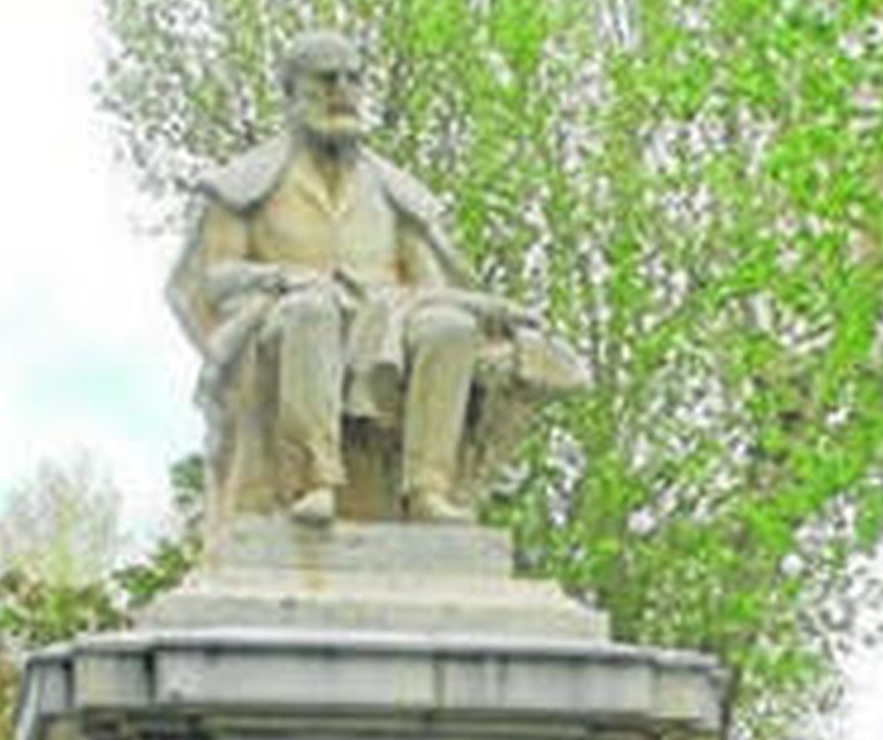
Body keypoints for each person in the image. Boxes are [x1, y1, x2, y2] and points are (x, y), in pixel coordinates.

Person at [168, 28, 585, 529]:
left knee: (449, 327)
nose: (342, 91)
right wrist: (285, 278)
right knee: (312, 311)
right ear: (292, 90)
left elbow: (432, 290)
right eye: (326, 79)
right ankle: (314, 480)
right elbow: (212, 278)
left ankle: (428, 489)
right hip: (289, 321)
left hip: (385, 322)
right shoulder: (245, 184)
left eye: (353, 79)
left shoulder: (392, 191)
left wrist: (489, 310)